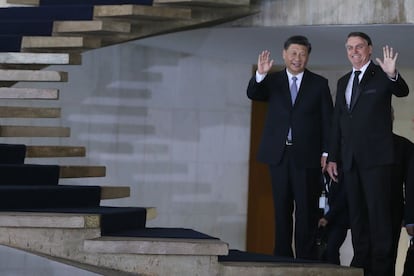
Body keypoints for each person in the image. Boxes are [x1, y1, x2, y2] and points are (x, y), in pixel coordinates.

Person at [327, 32, 409, 276]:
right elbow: (337, 122)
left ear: (369, 49)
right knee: (358, 218)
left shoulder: (382, 76)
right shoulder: (343, 81)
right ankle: (361, 266)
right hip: (350, 161)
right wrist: (333, 156)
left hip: (377, 161)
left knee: (379, 218)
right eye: (350, 48)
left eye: (359, 47)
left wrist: (392, 74)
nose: (354, 51)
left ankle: (382, 269)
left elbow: (402, 91)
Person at [247, 35, 333, 260]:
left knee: (306, 211)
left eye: (303, 54)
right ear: (284, 54)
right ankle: (282, 257)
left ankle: (305, 259)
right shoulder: (272, 81)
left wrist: (326, 152)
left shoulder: (319, 84)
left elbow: (328, 121)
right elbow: (253, 94)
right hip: (279, 156)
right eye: (293, 53)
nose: (298, 58)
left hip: (307, 157)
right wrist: (261, 74)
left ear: (308, 57)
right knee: (281, 209)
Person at [317, 171, 349, 265]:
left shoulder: (340, 174)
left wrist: (328, 217)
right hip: (320, 221)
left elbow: (342, 198)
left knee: (331, 250)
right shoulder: (318, 175)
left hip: (338, 221)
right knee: (320, 253)